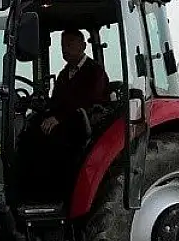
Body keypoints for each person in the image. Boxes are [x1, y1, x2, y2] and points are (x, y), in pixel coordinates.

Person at [17, 29, 111, 202]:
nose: (65, 49)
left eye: (69, 44)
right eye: (62, 45)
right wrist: (43, 110)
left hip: (83, 123)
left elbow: (89, 103)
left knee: (54, 141)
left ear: (83, 45)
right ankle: (28, 191)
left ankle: (55, 194)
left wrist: (58, 118)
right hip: (64, 120)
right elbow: (56, 102)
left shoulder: (95, 72)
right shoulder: (64, 74)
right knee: (29, 130)